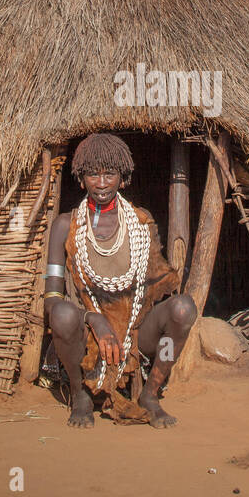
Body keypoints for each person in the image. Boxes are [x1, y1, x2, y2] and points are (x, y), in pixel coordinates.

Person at [42, 133, 197, 428]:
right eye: (92, 174)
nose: (101, 183)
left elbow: (156, 289)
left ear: (123, 178)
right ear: (80, 178)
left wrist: (129, 322)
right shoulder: (65, 225)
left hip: (136, 332)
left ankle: (150, 395)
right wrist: (95, 320)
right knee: (62, 314)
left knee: (183, 308)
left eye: (109, 174)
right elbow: (51, 300)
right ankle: (80, 395)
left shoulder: (141, 222)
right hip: (87, 332)